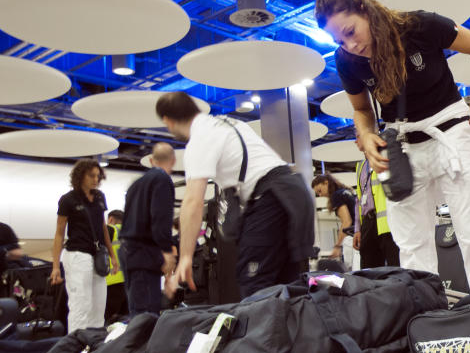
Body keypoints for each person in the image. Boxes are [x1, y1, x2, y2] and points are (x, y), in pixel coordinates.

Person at [315, 0, 470, 291]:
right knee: (411, 243)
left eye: (351, 32)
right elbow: (362, 109)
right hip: (402, 143)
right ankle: (426, 315)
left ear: (365, 11)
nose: (349, 45)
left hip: (452, 130)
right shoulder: (346, 59)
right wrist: (365, 136)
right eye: (339, 40)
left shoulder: (421, 25)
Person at [156, 91, 315, 299]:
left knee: (255, 284)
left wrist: (185, 256)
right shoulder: (229, 123)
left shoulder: (200, 137)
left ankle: (265, 331)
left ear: (168, 121)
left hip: (269, 197)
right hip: (295, 192)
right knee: (289, 285)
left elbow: (193, 202)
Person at [49, 160, 118, 332]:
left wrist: (113, 256)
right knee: (81, 304)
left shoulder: (100, 197)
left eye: (98, 176)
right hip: (77, 255)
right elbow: (59, 234)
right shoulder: (67, 200)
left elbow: (103, 228)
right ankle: (75, 348)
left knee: (98, 306)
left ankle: (93, 349)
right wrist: (55, 266)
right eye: (91, 175)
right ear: (80, 176)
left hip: (97, 255)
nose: (96, 179)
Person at [118, 143, 177, 317]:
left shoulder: (135, 185)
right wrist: (167, 251)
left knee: (137, 309)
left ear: (151, 160)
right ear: (173, 161)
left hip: (129, 253)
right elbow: (160, 217)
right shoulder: (162, 180)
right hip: (144, 253)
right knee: (147, 314)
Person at [354, 158, 401, 268]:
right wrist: (358, 229)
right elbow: (359, 198)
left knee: (395, 265)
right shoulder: (360, 166)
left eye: (358, 139)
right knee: (368, 268)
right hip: (367, 223)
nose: (356, 142)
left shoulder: (384, 156)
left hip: (387, 222)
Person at [312, 174, 357, 269]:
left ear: (326, 183)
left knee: (352, 271)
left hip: (352, 237)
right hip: (360, 234)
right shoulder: (346, 192)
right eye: (317, 194)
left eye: (320, 191)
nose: (320, 195)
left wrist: (337, 246)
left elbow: (347, 222)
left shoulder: (336, 195)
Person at [104, 209, 128, 323]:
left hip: (111, 281)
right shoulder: (131, 233)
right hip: (128, 283)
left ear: (111, 219)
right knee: (125, 320)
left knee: (108, 320)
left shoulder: (111, 229)